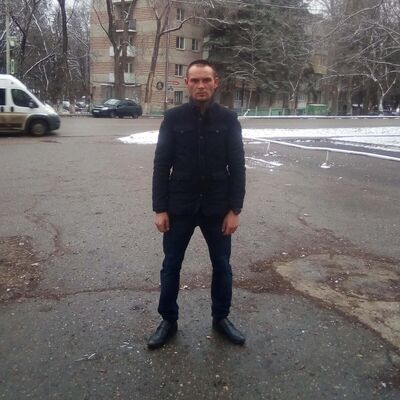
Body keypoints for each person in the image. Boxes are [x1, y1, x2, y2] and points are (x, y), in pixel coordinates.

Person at [148, 59, 246, 349]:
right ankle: (168, 320)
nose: (201, 86)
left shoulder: (228, 119)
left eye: (206, 80)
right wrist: (160, 208)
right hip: (179, 207)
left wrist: (234, 210)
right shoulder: (173, 118)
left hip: (217, 209)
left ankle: (221, 318)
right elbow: (161, 165)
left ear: (216, 83)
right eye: (195, 80)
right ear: (187, 83)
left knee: (222, 266)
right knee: (171, 266)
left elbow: (237, 166)